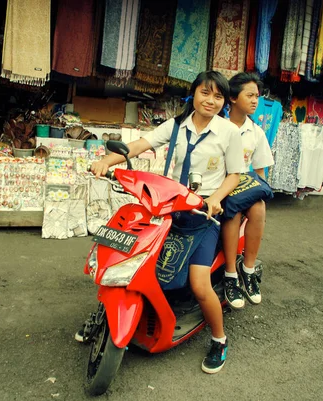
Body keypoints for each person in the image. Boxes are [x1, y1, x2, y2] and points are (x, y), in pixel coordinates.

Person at [83, 71, 244, 374]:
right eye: (205, 93)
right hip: (168, 209)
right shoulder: (175, 125)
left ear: (223, 102)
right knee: (132, 261)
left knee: (199, 284)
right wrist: (106, 161)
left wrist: (215, 198)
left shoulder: (228, 132)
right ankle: (105, 316)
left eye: (218, 96)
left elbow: (234, 174)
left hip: (202, 215)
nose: (210, 101)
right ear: (193, 94)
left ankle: (219, 339)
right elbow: (139, 146)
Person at [221, 72, 274, 310]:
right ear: (232, 98)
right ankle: (230, 274)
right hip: (219, 185)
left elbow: (260, 174)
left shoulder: (256, 132)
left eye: (257, 96)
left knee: (258, 206)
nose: (255, 101)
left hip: (242, 186)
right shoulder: (218, 126)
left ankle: (248, 269)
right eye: (249, 95)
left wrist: (256, 192)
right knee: (232, 209)